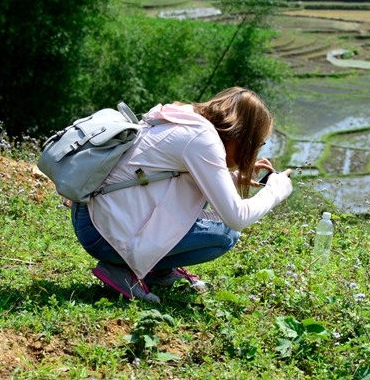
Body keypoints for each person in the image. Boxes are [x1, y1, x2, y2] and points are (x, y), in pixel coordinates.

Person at [70, 87, 293, 303]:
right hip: (102, 234)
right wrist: (277, 189)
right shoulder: (202, 139)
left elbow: (165, 178)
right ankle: (122, 266)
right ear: (244, 135)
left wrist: (233, 178)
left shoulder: (185, 120)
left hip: (92, 217)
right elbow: (236, 217)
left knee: (208, 202)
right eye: (259, 143)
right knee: (226, 235)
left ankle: (157, 270)